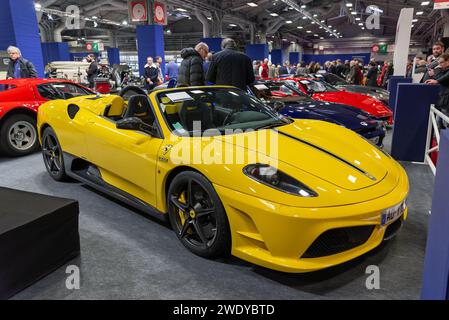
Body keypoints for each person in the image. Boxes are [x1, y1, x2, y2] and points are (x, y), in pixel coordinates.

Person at [426, 53, 449, 117]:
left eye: (442, 62)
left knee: (445, 123)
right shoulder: (443, 70)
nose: (440, 65)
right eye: (439, 63)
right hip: (443, 100)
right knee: (439, 123)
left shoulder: (445, 71)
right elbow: (441, 78)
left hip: (446, 102)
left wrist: (436, 80)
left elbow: (444, 78)